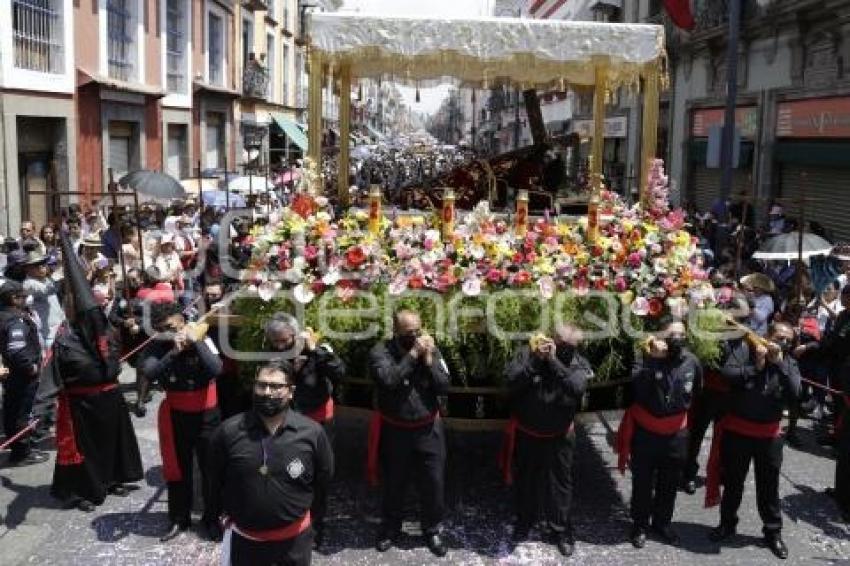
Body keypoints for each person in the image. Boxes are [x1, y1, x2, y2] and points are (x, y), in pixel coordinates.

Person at [50, 233, 143, 510]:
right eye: (90, 319)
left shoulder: (107, 331)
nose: (95, 323)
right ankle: (83, 491)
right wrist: (43, 407)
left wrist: (131, 327)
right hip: (82, 405)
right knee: (85, 449)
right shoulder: (65, 341)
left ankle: (112, 479)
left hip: (110, 397)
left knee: (113, 442)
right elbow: (53, 374)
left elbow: (123, 352)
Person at [208, 362, 334, 565]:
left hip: (295, 543)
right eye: (262, 385)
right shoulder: (228, 432)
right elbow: (215, 480)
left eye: (276, 386)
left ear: (291, 391)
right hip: (246, 543)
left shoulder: (312, 433)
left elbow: (323, 482)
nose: (267, 392)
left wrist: (313, 525)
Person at [705, 322, 801, 559]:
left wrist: (778, 363)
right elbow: (727, 374)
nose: (783, 343)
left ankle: (772, 532)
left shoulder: (788, 362)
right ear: (768, 336)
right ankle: (727, 524)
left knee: (768, 487)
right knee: (734, 482)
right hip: (739, 430)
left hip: (768, 436)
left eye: (788, 340)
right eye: (779, 337)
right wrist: (756, 367)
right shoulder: (747, 350)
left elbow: (796, 393)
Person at [501, 324, 592, 557]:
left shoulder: (577, 362)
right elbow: (510, 381)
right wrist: (535, 361)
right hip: (528, 432)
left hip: (559, 435)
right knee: (526, 479)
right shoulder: (526, 354)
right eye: (560, 343)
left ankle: (560, 529)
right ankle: (524, 521)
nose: (565, 349)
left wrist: (553, 361)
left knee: (560, 483)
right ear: (551, 337)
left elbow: (577, 387)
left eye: (571, 346)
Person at [368, 310, 451, 557]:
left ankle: (432, 528)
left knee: (433, 481)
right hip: (396, 429)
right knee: (394, 481)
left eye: (418, 331)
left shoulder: (430, 348)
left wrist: (428, 361)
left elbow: (445, 385)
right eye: (408, 333)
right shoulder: (380, 352)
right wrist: (413, 355)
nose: (415, 337)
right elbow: (389, 380)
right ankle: (391, 526)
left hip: (428, 428)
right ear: (395, 332)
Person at [140, 301, 222, 542]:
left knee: (210, 470)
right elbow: (150, 372)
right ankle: (179, 518)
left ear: (181, 320)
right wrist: (174, 351)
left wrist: (194, 343)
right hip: (177, 415)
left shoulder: (201, 337)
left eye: (169, 326)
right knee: (178, 471)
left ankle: (212, 517)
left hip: (207, 415)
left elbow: (216, 369)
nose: (166, 331)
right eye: (160, 328)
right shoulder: (158, 346)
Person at [616, 320, 701, 548]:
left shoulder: (691, 361)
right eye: (672, 334)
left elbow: (696, 392)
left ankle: (662, 523)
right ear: (661, 336)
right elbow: (638, 388)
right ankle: (639, 525)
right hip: (647, 433)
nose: (677, 339)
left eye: (681, 334)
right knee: (642, 482)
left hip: (676, 435)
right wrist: (653, 360)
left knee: (669, 483)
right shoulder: (644, 357)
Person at [265, 313, 345, 549]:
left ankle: (317, 527)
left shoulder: (319, 347)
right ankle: (292, 521)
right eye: (275, 341)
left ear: (295, 334)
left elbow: (339, 372)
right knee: (291, 473)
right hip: (289, 420)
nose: (280, 345)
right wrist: (290, 368)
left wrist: (315, 351)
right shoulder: (275, 353)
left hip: (319, 419)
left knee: (319, 475)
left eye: (284, 340)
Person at [794, 284, 850, 522]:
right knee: (844, 447)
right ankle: (842, 494)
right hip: (842, 378)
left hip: (845, 377)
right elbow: (831, 341)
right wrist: (810, 347)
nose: (845, 298)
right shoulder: (845, 316)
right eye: (845, 295)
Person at [0, 279, 46, 466]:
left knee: (12, 410)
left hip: (12, 374)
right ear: (13, 298)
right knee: (22, 413)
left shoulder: (4, 315)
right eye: (22, 297)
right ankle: (22, 452)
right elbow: (16, 350)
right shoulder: (14, 319)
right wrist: (31, 367)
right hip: (22, 375)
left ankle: (18, 449)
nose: (25, 300)